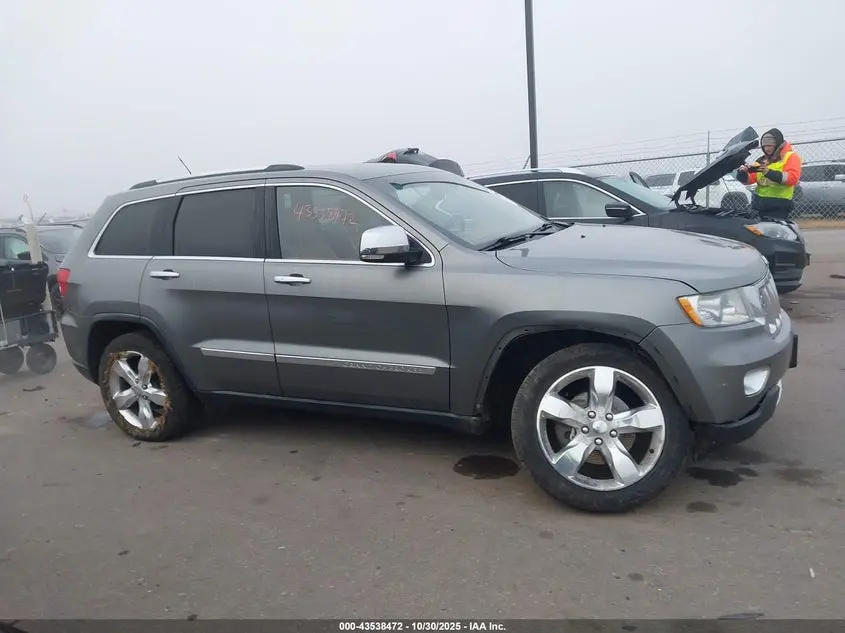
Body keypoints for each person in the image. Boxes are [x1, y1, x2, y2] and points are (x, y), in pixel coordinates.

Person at [736, 128, 802, 220]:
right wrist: (742, 173)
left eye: (770, 146)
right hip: (759, 206)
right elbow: (749, 180)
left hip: (779, 208)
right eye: (764, 146)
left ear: (778, 144)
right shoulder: (761, 160)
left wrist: (768, 172)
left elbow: (792, 178)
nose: (766, 149)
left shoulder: (791, 157)